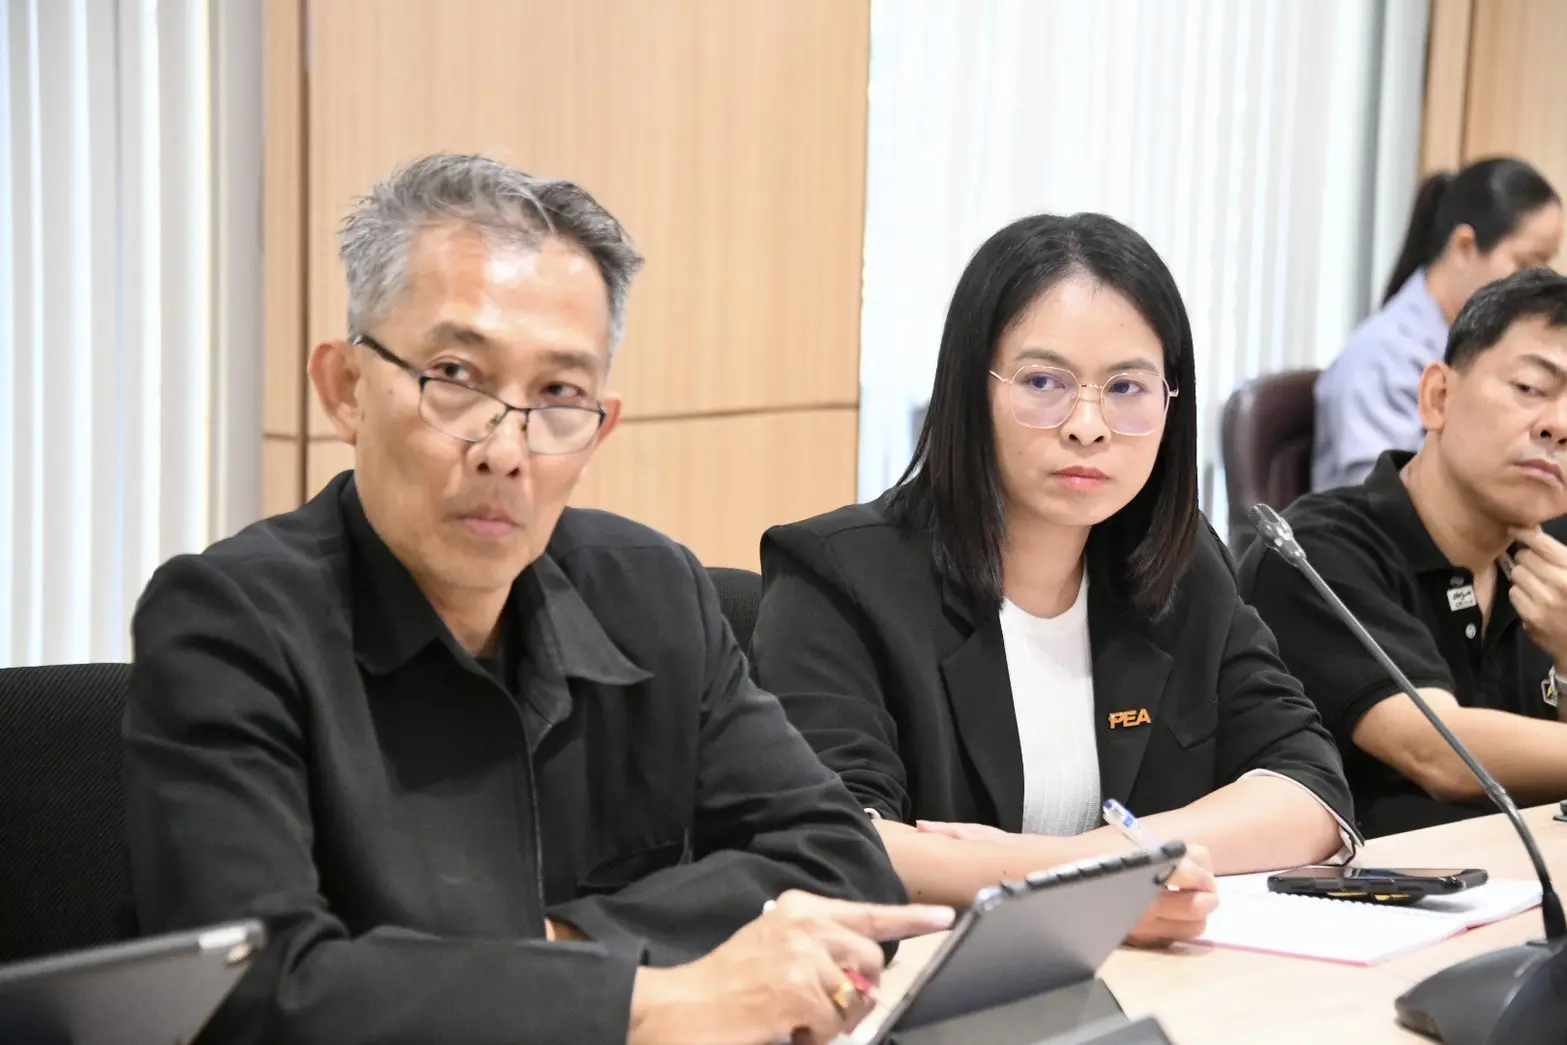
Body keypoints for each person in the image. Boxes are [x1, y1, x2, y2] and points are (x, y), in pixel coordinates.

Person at [122, 154, 953, 1045]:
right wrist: (642, 998)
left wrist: (555, 948)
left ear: (600, 427)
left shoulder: (653, 593)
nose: (505, 449)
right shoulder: (227, 624)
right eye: (455, 375)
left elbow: (842, 862)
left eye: (559, 394)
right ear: (346, 389)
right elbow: (256, 994)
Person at [750, 213, 1357, 945]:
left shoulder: (1179, 563)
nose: (1087, 425)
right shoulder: (841, 575)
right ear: (968, 389)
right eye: (1043, 381)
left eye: (1127, 386)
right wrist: (1087, 885)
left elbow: (1308, 791)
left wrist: (1099, 862)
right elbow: (837, 837)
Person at [1241, 267, 1567, 838]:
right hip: (1363, 887)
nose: (1558, 426)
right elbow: (1437, 752)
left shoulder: (1553, 562)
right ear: (1438, 397)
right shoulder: (1317, 550)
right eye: (1530, 388)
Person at [1312, 157, 1561, 492]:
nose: (1534, 285)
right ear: (1464, 247)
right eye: (1527, 264)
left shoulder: (1480, 345)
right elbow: (1380, 499)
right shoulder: (1382, 358)